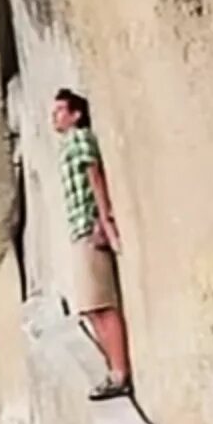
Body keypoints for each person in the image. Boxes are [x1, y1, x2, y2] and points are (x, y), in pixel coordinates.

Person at [52, 89, 131, 399]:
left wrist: (105, 221)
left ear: (76, 114)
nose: (54, 116)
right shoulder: (66, 145)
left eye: (60, 110)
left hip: (89, 227)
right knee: (90, 308)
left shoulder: (80, 139)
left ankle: (119, 373)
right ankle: (113, 370)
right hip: (78, 230)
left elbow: (95, 177)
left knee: (102, 306)